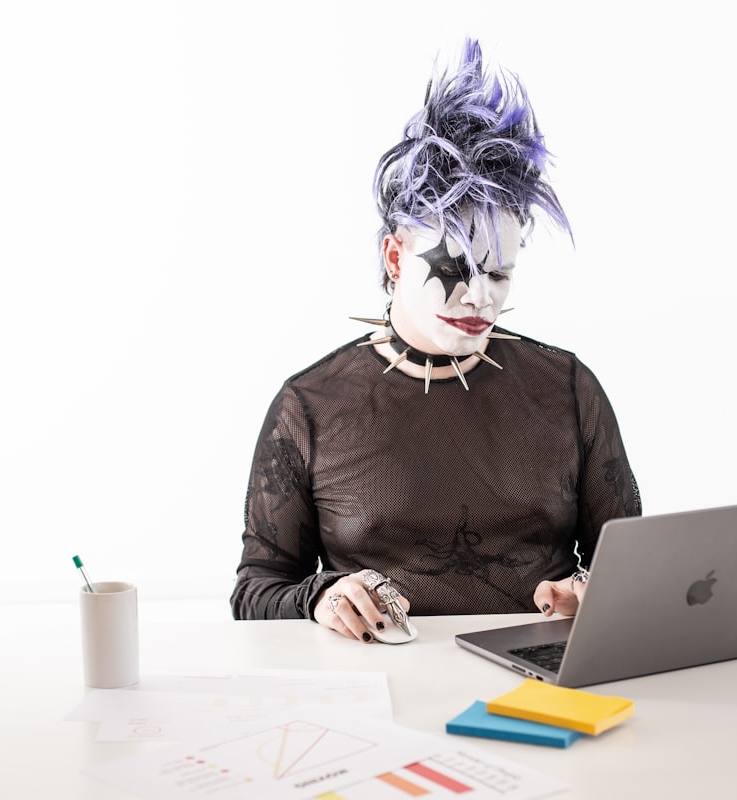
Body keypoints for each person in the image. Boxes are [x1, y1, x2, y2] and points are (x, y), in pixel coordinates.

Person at [230, 39, 641, 641]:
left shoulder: (567, 388)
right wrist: (323, 596)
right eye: (457, 270)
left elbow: (634, 568)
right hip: (378, 684)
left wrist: (594, 597)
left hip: (541, 680)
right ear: (396, 256)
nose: (481, 299)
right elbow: (255, 591)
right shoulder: (309, 406)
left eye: (500, 274)